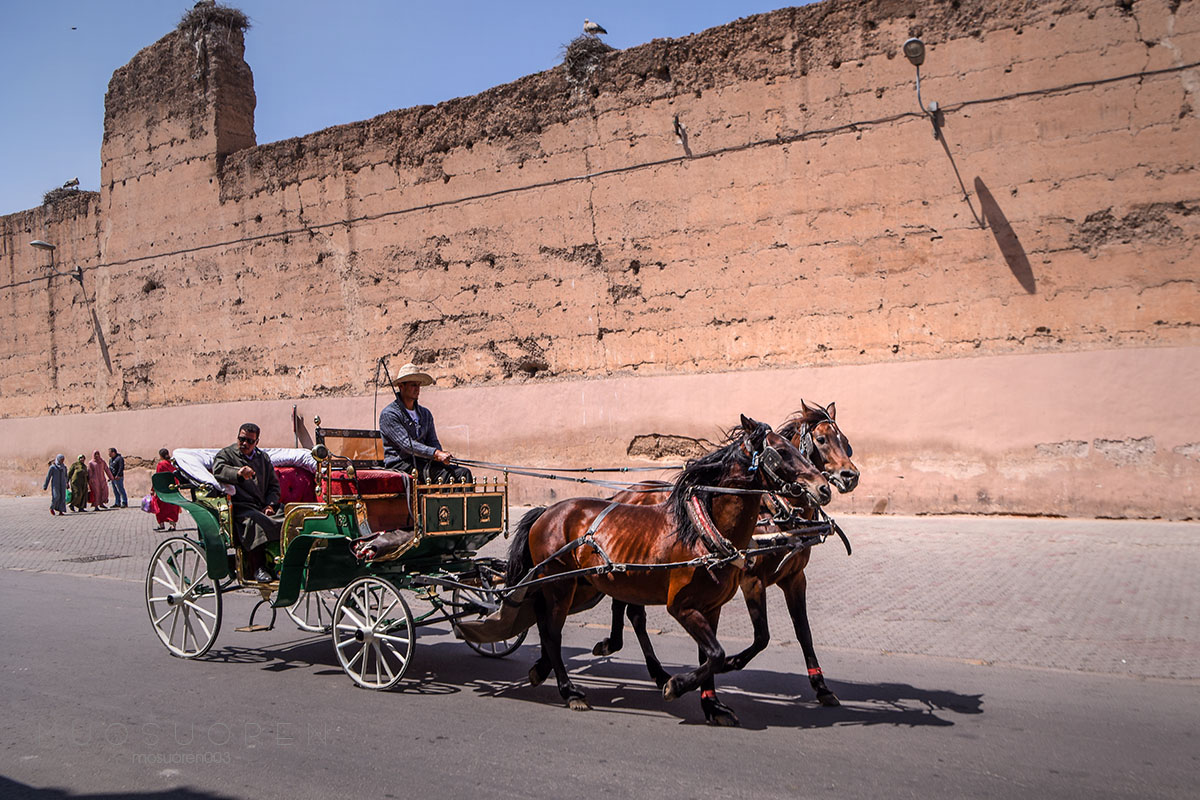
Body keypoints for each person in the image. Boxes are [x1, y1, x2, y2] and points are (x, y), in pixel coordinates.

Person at [379, 362, 473, 484]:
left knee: (463, 473)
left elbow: (432, 441)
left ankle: (464, 503)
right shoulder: (389, 414)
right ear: (401, 386)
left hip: (423, 462)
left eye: (418, 385)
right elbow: (407, 445)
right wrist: (435, 453)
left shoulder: (425, 414)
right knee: (446, 476)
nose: (417, 389)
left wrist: (441, 457)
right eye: (413, 385)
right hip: (401, 464)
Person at [212, 423, 280, 583]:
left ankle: (280, 561)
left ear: (257, 442)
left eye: (250, 441)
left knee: (289, 517)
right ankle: (258, 568)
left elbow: (274, 486)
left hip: (262, 505)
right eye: (242, 439)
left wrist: (270, 505)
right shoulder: (227, 454)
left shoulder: (263, 458)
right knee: (253, 521)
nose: (245, 444)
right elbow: (219, 469)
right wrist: (238, 473)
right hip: (241, 506)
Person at [151, 448, 180, 531]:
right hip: (173, 487)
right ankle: (172, 525)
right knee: (172, 506)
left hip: (163, 489)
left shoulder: (161, 464)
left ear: (160, 455)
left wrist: (153, 489)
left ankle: (161, 524)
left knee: (159, 505)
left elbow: (158, 477)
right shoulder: (173, 463)